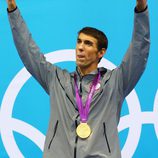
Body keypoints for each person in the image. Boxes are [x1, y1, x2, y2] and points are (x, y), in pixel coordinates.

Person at [6, 0, 150, 157]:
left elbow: (139, 51)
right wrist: (12, 9)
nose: (80, 47)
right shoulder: (56, 79)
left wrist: (141, 9)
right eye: (79, 41)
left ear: (101, 52)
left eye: (88, 43)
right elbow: (27, 50)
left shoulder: (116, 82)